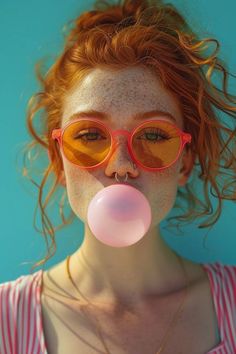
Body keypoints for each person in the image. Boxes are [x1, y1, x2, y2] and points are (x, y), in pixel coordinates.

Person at [1, 0, 236, 353]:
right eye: (90, 135)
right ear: (58, 158)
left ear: (185, 162)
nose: (121, 164)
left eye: (154, 135)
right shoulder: (5, 319)